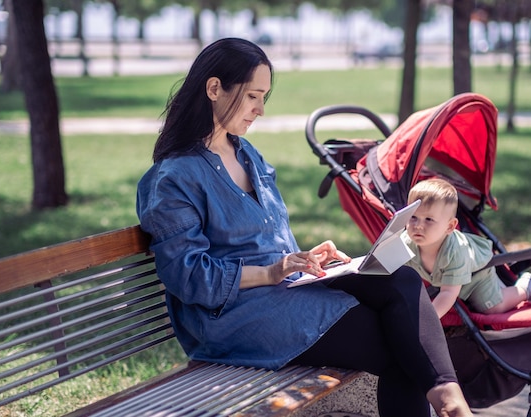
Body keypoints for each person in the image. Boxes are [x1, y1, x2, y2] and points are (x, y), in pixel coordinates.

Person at [136, 37, 472, 417]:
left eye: (264, 97)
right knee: (400, 347)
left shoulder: (247, 154)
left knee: (401, 280)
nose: (260, 110)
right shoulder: (174, 178)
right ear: (214, 88)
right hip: (232, 318)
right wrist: (271, 271)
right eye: (252, 96)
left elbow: (268, 241)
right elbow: (189, 278)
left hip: (282, 292)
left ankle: (449, 396)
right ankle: (450, 403)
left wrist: (304, 260)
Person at [403, 178, 531, 319]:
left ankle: (525, 288)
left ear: (450, 226)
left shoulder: (455, 252)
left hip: (477, 276)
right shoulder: (406, 243)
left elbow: (447, 293)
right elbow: (386, 267)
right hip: (447, 279)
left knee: (492, 307)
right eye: (413, 217)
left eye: (429, 220)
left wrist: (427, 320)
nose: (418, 226)